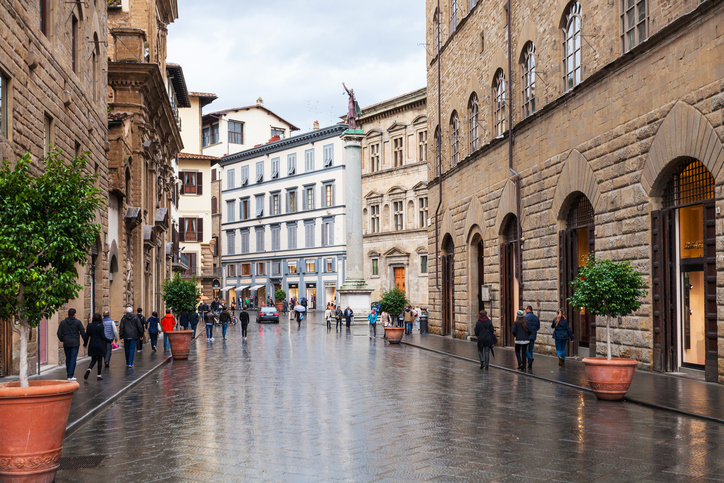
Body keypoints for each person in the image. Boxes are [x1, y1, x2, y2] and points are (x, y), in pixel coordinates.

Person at [56, 308, 86, 381]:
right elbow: (82, 332)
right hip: (75, 342)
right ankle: (70, 375)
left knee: (68, 358)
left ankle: (69, 373)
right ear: (74, 314)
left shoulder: (63, 323)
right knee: (73, 358)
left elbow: (59, 333)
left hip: (66, 342)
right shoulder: (78, 322)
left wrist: (62, 339)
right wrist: (85, 341)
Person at [83, 313, 111, 381]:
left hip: (92, 344)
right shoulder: (100, 326)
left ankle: (89, 369)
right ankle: (99, 375)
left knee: (93, 359)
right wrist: (109, 341)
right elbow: (103, 336)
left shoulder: (89, 325)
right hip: (100, 344)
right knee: (99, 360)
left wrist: (85, 343)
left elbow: (87, 336)